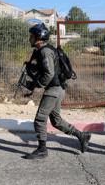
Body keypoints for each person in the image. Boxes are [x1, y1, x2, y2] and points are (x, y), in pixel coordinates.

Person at [23, 21, 91, 159]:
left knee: (40, 119)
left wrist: (35, 85)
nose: (30, 38)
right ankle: (82, 136)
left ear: (38, 37)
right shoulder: (44, 50)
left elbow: (48, 74)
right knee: (56, 121)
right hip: (57, 89)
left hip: (53, 90)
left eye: (32, 36)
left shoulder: (45, 52)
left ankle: (42, 149)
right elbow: (46, 71)